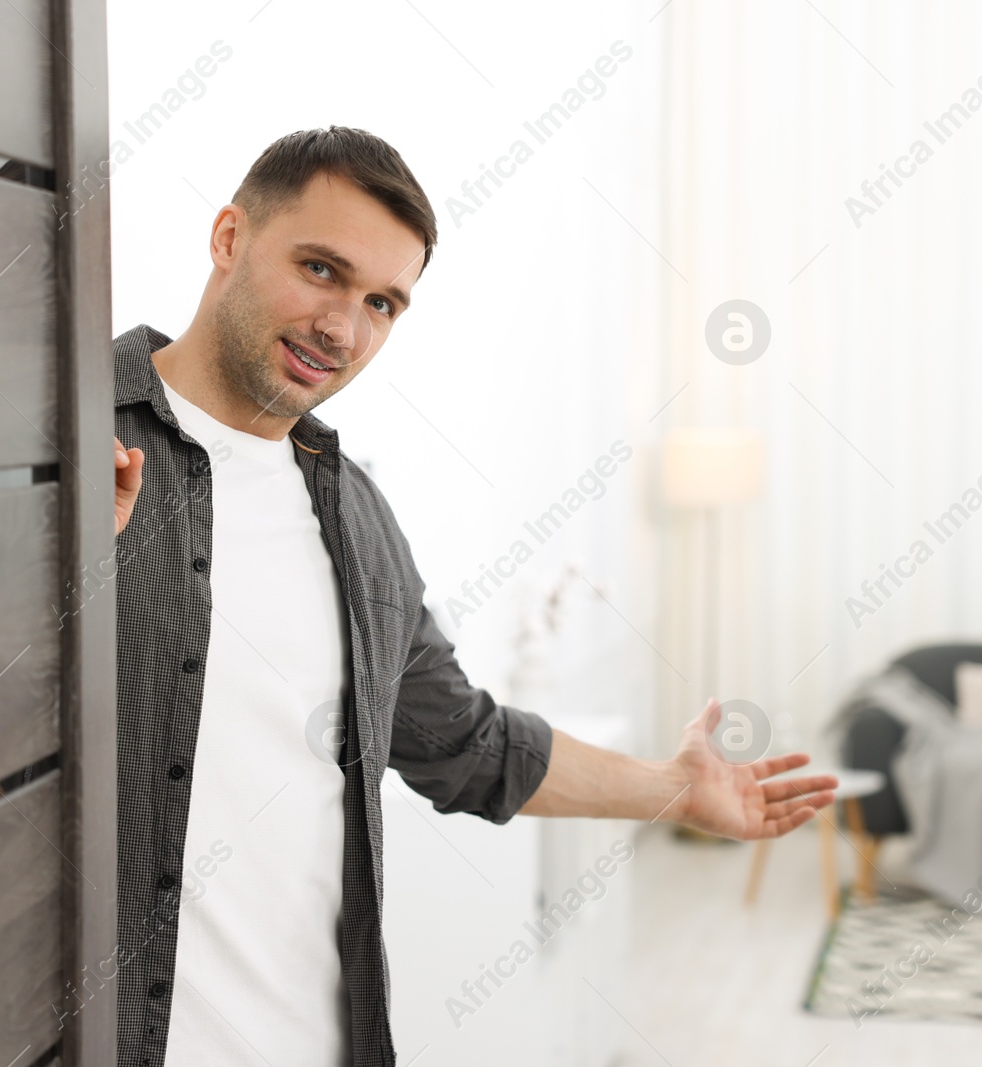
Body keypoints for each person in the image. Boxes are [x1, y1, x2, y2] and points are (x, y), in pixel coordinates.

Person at [109, 126, 836, 1067]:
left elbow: (464, 743)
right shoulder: (58, 439)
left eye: (382, 302)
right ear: (228, 237)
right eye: (320, 269)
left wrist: (671, 790)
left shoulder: (353, 515)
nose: (344, 326)